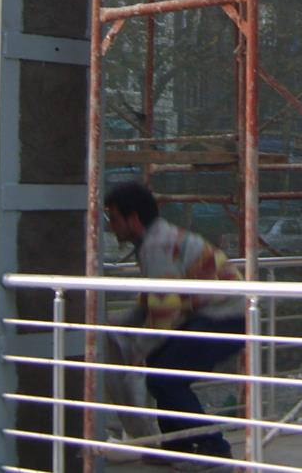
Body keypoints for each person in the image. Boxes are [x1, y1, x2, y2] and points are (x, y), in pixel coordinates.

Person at [103, 182, 244, 468]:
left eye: (114, 218)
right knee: (162, 369)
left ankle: (213, 448)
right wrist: (114, 325)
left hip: (225, 317)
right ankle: (177, 445)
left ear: (133, 219)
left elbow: (164, 313)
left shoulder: (156, 246)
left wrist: (135, 350)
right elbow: (152, 302)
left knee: (165, 377)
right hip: (219, 314)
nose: (111, 226)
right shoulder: (156, 240)